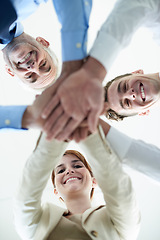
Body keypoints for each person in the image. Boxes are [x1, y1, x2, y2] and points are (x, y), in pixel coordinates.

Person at [1, 0, 105, 139]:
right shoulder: (29, 3)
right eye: (43, 64)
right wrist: (74, 65)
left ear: (10, 71)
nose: (33, 67)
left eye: (30, 76)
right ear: (43, 42)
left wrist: (28, 117)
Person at [13, 126, 140, 240]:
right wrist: (60, 129)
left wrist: (85, 130)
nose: (69, 171)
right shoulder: (39, 223)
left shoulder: (115, 221)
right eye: (61, 170)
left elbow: (121, 192)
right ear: (55, 191)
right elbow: (26, 194)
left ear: (94, 181)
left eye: (78, 166)